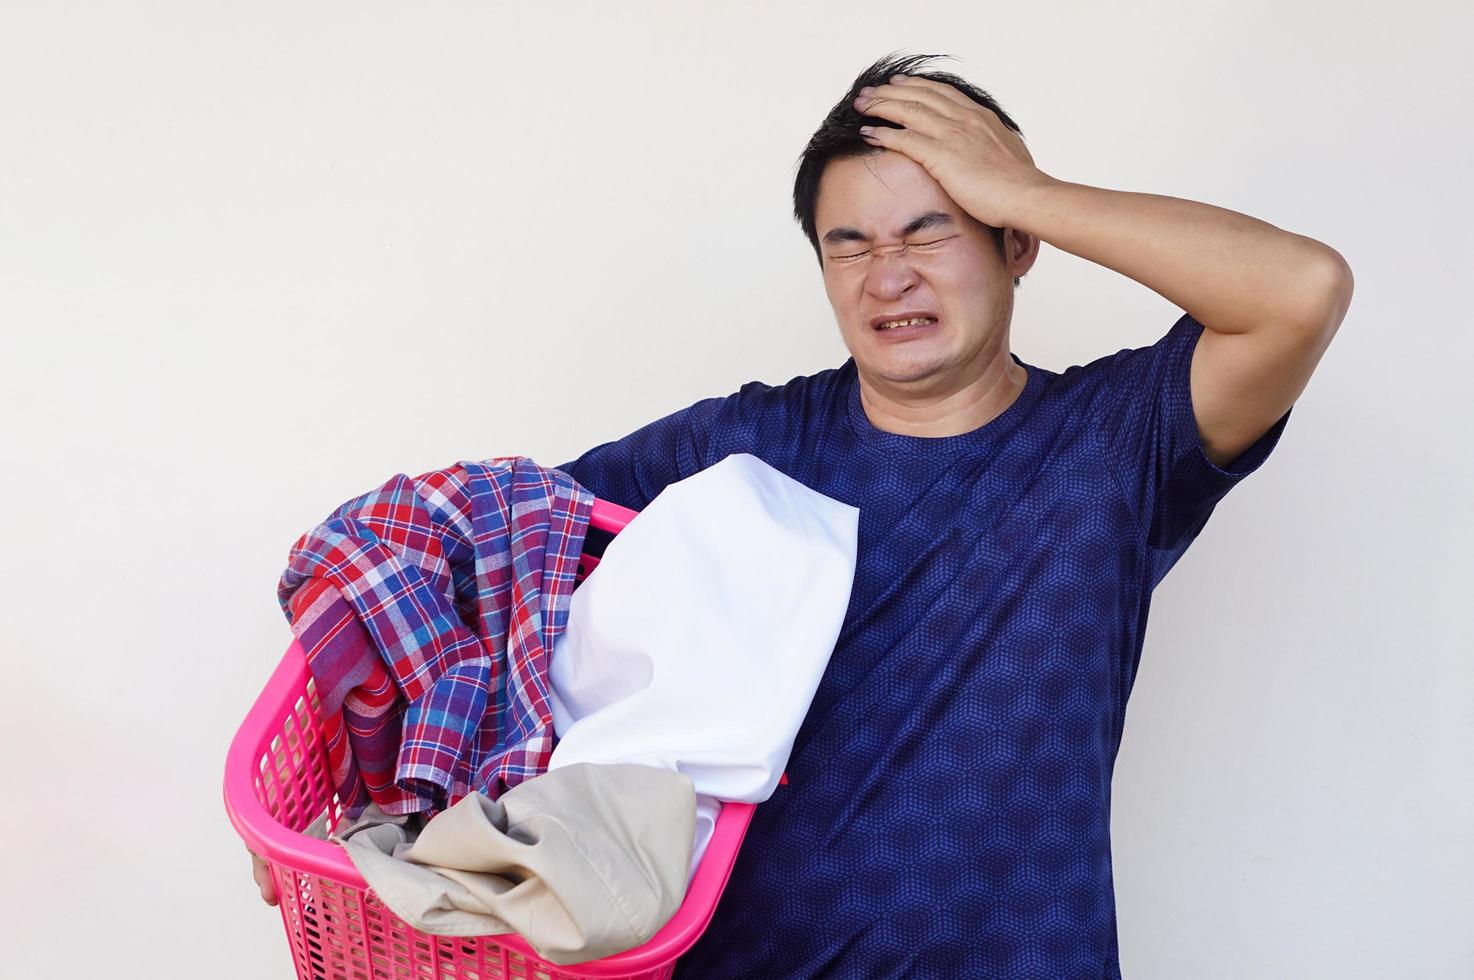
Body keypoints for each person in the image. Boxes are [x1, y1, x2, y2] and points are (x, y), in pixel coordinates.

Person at [252, 51, 1353, 979]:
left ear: (1016, 244)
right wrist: (333, 820)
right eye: (851, 244)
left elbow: (1298, 288)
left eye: (932, 230)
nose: (888, 276)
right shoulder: (737, 450)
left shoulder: (1112, 447)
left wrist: (1023, 185)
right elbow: (472, 560)